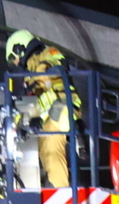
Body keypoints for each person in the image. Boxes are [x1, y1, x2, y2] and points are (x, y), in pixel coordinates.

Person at [5, 29, 82, 189]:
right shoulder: (29, 75)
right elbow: (38, 103)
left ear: (20, 48)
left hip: (66, 106)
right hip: (52, 112)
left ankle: (60, 195)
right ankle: (54, 184)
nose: (16, 63)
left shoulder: (48, 53)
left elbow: (57, 66)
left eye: (14, 58)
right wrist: (19, 123)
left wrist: (42, 72)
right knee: (43, 148)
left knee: (50, 145)